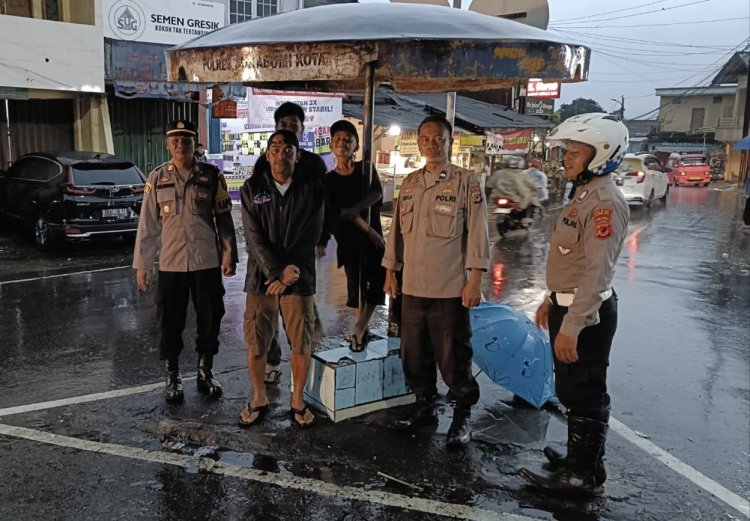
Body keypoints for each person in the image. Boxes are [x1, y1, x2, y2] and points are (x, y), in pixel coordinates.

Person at [518, 113, 630, 497]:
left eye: (575, 151)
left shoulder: (604, 203)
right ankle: (582, 462)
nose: (566, 157)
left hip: (588, 313)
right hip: (570, 306)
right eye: (566, 150)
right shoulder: (582, 194)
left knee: (584, 391)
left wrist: (573, 325)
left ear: (600, 155)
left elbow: (597, 274)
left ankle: (581, 479)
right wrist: (553, 301)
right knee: (574, 389)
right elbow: (574, 260)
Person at [382, 115, 490, 449]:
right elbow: (396, 233)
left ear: (450, 141)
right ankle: (424, 405)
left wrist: (475, 280)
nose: (431, 144)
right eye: (426, 139)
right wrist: (390, 272)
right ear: (419, 142)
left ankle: (461, 416)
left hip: (449, 289)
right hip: (412, 286)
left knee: (453, 356)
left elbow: (478, 233)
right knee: (413, 354)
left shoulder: (465, 182)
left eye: (438, 139)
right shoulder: (411, 183)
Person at [133, 120, 238, 403]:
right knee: (170, 321)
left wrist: (229, 253)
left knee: (210, 317)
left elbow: (224, 217)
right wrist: (143, 264)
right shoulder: (157, 179)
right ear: (168, 145)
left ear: (195, 144)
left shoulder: (212, 176)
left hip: (206, 261)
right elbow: (147, 226)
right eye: (175, 140)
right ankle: (173, 375)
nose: (181, 144)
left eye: (186, 139)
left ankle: (205, 372)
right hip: (171, 264)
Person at [239, 129, 325, 428]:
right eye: (275, 148)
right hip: (261, 278)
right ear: (267, 154)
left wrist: (289, 273)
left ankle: (298, 399)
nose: (281, 154)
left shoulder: (311, 188)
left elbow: (311, 233)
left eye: (288, 149)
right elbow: (252, 237)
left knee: (301, 343)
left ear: (297, 156)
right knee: (257, 342)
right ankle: (259, 396)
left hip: (299, 278)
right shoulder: (253, 188)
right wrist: (275, 273)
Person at [252, 102, 328, 385]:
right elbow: (255, 216)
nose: (288, 129)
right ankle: (273, 360)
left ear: (302, 128)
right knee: (267, 311)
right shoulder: (263, 163)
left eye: (294, 124)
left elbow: (322, 210)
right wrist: (270, 264)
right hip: (270, 256)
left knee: (303, 310)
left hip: (301, 253)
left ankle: (308, 364)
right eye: (283, 125)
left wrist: (322, 238)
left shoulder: (314, 164)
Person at [322, 119, 386, 351]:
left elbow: (377, 193)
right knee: (356, 285)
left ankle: (360, 326)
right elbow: (338, 213)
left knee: (378, 281)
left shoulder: (365, 169)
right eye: (337, 139)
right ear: (331, 146)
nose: (342, 143)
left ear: (356, 146)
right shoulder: (329, 180)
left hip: (372, 237)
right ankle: (361, 328)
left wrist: (355, 213)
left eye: (348, 139)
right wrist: (361, 222)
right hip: (350, 238)